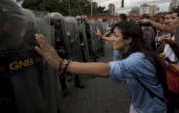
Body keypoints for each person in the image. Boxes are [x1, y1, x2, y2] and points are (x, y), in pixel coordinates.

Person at [34, 20, 168, 113]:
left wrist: (62, 64)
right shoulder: (137, 50)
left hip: (150, 110)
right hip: (140, 106)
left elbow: (106, 70)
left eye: (116, 35)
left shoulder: (138, 59)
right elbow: (112, 41)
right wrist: (102, 37)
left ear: (128, 40)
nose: (112, 38)